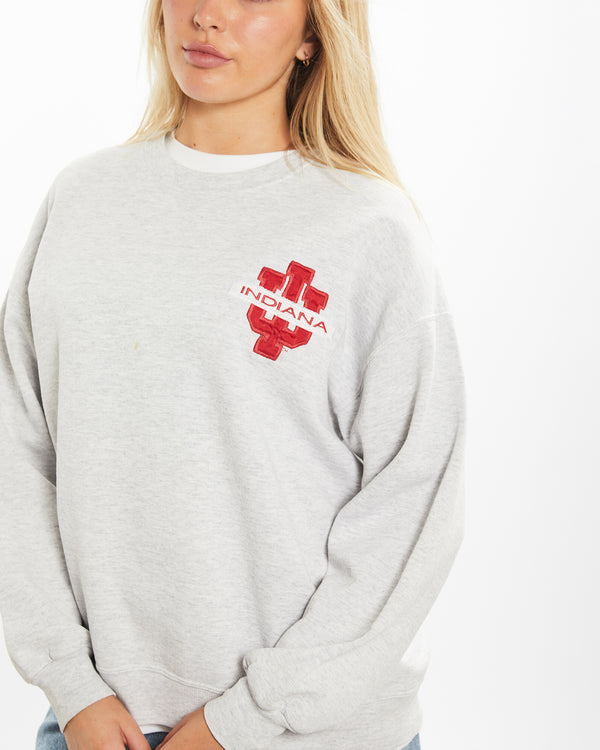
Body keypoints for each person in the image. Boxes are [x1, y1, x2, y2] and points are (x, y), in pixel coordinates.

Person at [0, 1, 466, 749]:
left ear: (314, 33)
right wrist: (71, 682)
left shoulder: (367, 228)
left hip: (312, 732)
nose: (209, 15)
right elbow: (17, 449)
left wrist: (244, 719)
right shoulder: (82, 200)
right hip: (100, 723)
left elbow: (412, 502)